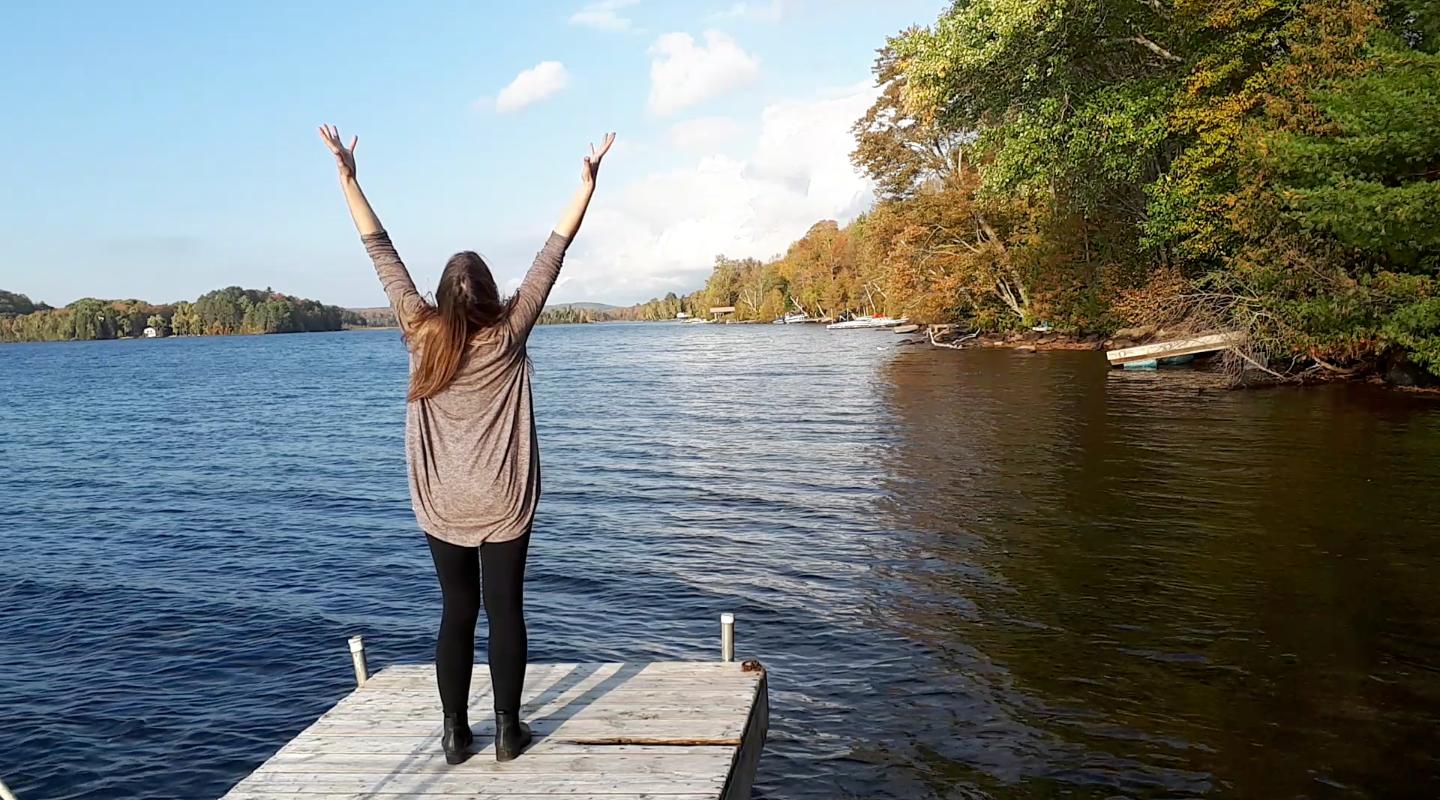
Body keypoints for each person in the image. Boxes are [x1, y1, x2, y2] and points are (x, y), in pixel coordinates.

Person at [317, 124, 615, 764]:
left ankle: (455, 736)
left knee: (457, 611)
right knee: (506, 612)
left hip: (443, 503)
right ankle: (509, 732)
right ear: (489, 293)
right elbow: (553, 253)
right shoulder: (509, 333)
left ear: (445, 297)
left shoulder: (420, 332)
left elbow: (380, 251)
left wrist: (349, 179)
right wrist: (585, 185)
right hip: (504, 501)